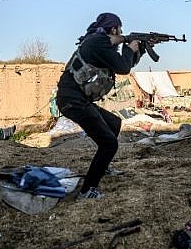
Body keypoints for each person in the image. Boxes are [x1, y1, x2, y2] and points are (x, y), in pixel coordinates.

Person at [56, 12, 144, 200]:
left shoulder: (99, 44)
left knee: (114, 123)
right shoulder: (98, 41)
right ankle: (88, 190)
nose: (122, 32)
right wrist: (129, 47)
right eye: (120, 29)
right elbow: (123, 67)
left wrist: (138, 49)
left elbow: (122, 64)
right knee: (109, 144)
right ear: (114, 29)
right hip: (73, 100)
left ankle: (101, 167)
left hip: (77, 99)